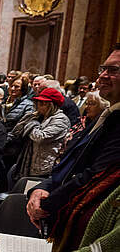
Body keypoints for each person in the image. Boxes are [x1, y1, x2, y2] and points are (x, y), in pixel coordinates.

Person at [27, 46, 120, 234]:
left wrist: (47, 204)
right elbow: (69, 164)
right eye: (103, 69)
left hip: (88, 221)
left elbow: (95, 176)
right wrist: (40, 189)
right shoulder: (105, 116)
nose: (102, 76)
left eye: (113, 70)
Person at [7, 86, 70, 186]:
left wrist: (31, 124)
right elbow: (17, 131)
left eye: (42, 103)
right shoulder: (39, 116)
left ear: (51, 105)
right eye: (38, 103)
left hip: (44, 168)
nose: (38, 106)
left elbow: (41, 137)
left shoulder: (61, 120)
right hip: (29, 164)